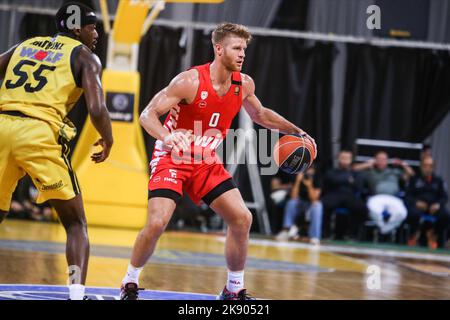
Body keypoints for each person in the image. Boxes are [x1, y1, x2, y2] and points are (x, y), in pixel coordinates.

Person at [120, 22, 316, 300]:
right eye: (237, 48)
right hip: (172, 159)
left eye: (244, 49)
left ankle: (233, 289)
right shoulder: (188, 81)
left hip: (205, 161)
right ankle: (129, 281)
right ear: (219, 48)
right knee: (156, 223)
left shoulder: (244, 83)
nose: (242, 54)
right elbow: (147, 115)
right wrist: (166, 136)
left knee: (241, 218)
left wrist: (295, 131)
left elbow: (261, 115)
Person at [0, 2, 113, 300]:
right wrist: (108, 139)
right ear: (77, 28)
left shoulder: (24, 46)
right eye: (92, 27)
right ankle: (77, 295)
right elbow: (98, 109)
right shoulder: (86, 57)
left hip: (2, 126)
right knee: (76, 223)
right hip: (38, 133)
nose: (96, 34)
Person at [354, 151, 414, 236]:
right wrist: (367, 164)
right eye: (379, 159)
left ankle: (384, 230)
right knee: (373, 210)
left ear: (387, 160)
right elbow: (353, 169)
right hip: (376, 197)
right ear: (375, 160)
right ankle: (384, 228)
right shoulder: (370, 172)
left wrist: (402, 164)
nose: (382, 161)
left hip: (393, 198)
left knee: (402, 213)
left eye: (384, 159)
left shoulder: (395, 171)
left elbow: (411, 174)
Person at [405, 156, 449, 249]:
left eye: (430, 166)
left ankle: (434, 235)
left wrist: (437, 204)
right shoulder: (414, 179)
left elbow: (444, 197)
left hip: (433, 207)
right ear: (421, 167)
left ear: (433, 167)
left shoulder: (439, 180)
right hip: (418, 207)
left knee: (445, 215)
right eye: (425, 166)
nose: (428, 168)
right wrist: (416, 202)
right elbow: (408, 196)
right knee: (412, 214)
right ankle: (415, 235)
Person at [321, 150, 367, 240]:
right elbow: (328, 181)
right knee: (323, 205)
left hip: (349, 196)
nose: (345, 161)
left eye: (347, 158)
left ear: (351, 160)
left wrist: (344, 180)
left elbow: (359, 186)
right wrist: (348, 180)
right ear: (338, 159)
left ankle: (353, 235)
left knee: (362, 208)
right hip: (334, 194)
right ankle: (325, 233)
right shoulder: (332, 171)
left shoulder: (355, 173)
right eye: (343, 158)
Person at [275, 166, 323, 245]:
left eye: (310, 170)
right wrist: (298, 181)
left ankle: (314, 236)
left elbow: (314, 198)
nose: (307, 173)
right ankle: (286, 230)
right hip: (299, 203)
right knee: (291, 203)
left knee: (318, 206)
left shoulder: (317, 177)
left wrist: (309, 185)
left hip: (310, 205)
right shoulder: (297, 175)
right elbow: (293, 197)